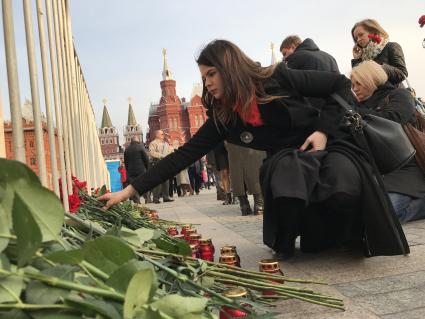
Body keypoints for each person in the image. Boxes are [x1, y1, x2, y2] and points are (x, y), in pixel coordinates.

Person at [100, 39, 409, 258]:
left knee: (343, 181)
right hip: (290, 159)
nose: (206, 83)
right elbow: (184, 154)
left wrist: (322, 131)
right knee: (287, 179)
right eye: (203, 76)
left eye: (211, 73)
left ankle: (347, 232)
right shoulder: (225, 118)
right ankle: (310, 236)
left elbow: (338, 84)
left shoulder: (279, 77)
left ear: (229, 67)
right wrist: (128, 191)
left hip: (327, 144)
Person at [351, 61, 425, 223]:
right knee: (372, 214)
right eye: (352, 84)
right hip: (377, 172)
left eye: (359, 83)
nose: (355, 88)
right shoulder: (355, 106)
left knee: (385, 215)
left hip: (405, 168)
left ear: (372, 79)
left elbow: (394, 119)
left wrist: (356, 114)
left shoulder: (399, 95)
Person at [351, 19, 407, 87]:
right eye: (356, 38)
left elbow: (402, 74)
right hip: (373, 97)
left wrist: (378, 67)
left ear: (373, 32)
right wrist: (357, 59)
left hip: (393, 95)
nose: (358, 39)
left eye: (361, 35)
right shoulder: (362, 58)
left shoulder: (391, 46)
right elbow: (359, 82)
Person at [226, 142, 266, 215]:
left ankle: (244, 205)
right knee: (254, 166)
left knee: (237, 171)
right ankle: (259, 204)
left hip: (232, 140)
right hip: (250, 139)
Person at [148, 130, 174, 203]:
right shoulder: (153, 143)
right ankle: (156, 198)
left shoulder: (166, 144)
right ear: (157, 135)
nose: (163, 135)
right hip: (157, 163)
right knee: (158, 181)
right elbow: (151, 153)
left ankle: (166, 197)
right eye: (162, 134)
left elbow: (170, 152)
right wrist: (162, 156)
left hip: (165, 163)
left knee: (166, 181)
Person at [123, 137, 149, 204]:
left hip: (131, 171)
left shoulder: (127, 150)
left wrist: (128, 170)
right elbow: (146, 159)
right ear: (137, 141)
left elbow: (126, 162)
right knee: (144, 184)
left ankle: (137, 201)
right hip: (141, 170)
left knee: (133, 186)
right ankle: (147, 198)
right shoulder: (141, 147)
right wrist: (147, 168)